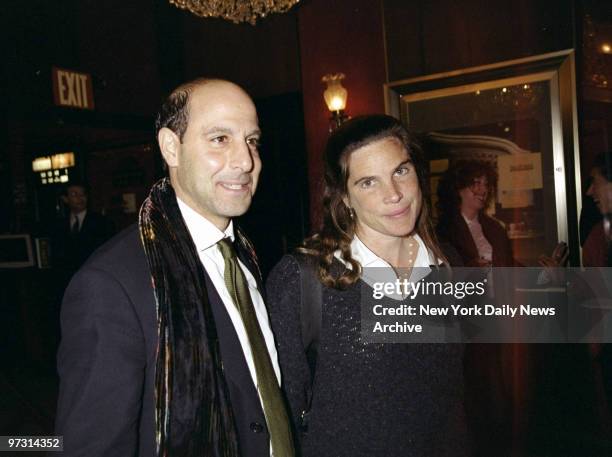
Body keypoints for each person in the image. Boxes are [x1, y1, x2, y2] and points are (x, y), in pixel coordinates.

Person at [55, 78, 294, 457]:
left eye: (252, 140)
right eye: (220, 139)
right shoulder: (111, 284)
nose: (246, 161)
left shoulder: (243, 255)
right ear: (171, 147)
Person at [266, 115, 468, 456]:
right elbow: (281, 417)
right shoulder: (303, 280)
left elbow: (453, 397)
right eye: (368, 182)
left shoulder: (448, 264)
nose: (394, 195)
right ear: (344, 197)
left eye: (401, 171)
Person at [52, 181, 115, 275]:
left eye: (83, 194)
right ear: (65, 199)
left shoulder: (100, 222)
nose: (80, 198)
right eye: (74, 194)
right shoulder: (59, 225)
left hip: (94, 273)